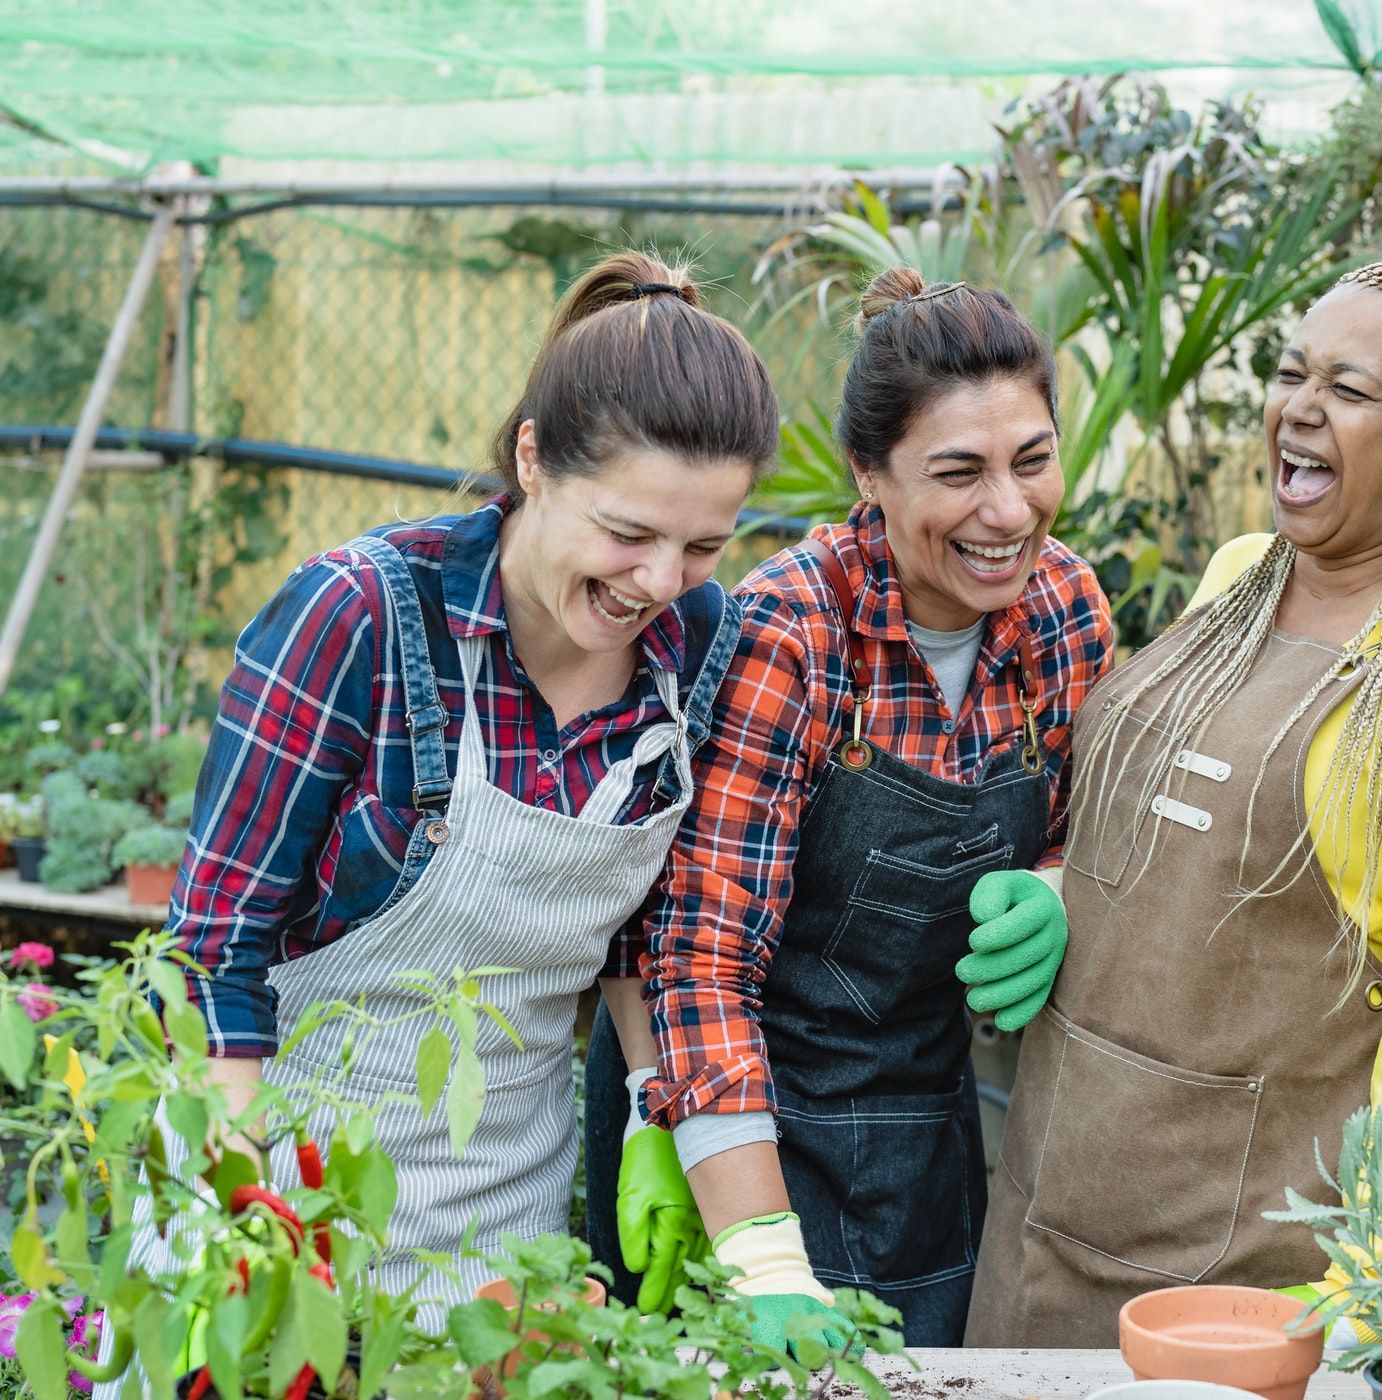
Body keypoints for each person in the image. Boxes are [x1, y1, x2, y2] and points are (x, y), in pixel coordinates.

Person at [167, 250, 779, 1303]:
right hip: (279, 1199)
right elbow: (211, 955)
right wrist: (239, 1225)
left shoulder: (699, 639)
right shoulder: (358, 617)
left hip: (507, 1240)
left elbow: (640, 925)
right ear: (533, 459)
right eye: (627, 532)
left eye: (703, 545)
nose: (659, 582)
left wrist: (649, 1105)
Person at [964, 258, 1382, 1345]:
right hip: (1049, 1199)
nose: (1298, 408)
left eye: (1349, 387)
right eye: (1291, 374)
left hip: (1237, 1272)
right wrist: (1057, 888)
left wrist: (1375, 1289)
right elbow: (1156, 844)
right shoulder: (1238, 575)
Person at [606, 269, 1113, 1346]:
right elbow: (698, 954)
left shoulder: (1065, 607)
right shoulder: (791, 634)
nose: (1009, 510)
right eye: (957, 472)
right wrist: (757, 1251)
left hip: (916, 1114)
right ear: (867, 474)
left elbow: (1084, 827)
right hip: (737, 1112)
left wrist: (1061, 886)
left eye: (1032, 460)